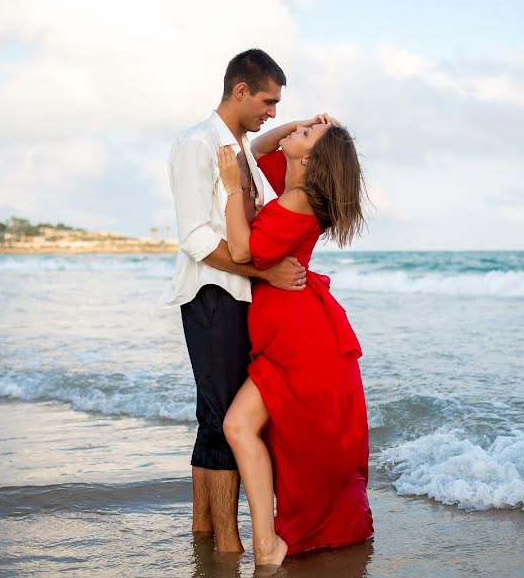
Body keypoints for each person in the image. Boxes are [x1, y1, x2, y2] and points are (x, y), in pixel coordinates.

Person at [158, 49, 308, 553]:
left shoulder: (238, 147)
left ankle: (204, 529)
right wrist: (263, 269)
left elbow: (265, 153)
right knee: (226, 419)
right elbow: (196, 238)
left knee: (212, 414)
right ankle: (228, 546)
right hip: (212, 295)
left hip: (238, 296)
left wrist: (302, 125)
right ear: (240, 91)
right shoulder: (196, 144)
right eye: (268, 101)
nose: (273, 112)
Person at [219, 115, 374, 565]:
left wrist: (232, 189)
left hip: (296, 340)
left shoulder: (299, 199)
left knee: (238, 426)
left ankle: (269, 547)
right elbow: (262, 151)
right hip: (293, 332)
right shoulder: (296, 188)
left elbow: (245, 250)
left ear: (309, 159)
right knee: (244, 428)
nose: (294, 134)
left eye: (304, 136)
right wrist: (304, 123)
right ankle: (268, 544)